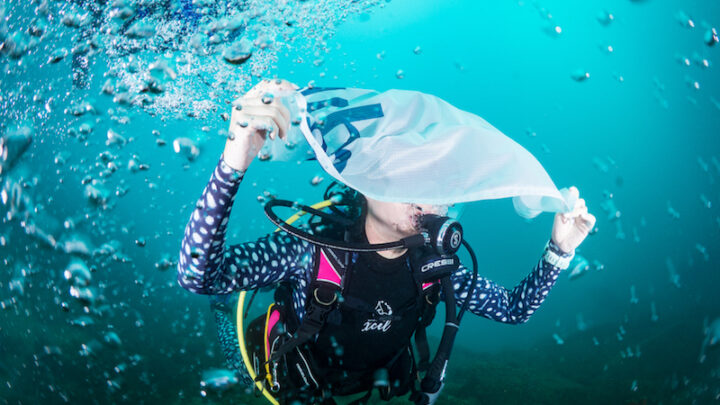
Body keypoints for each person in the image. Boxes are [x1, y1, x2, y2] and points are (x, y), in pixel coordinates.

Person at [177, 79, 597, 404]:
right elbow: (198, 275)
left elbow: (513, 309)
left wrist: (559, 250)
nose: (428, 193)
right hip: (290, 379)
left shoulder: (433, 269)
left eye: (440, 180)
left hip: (372, 383)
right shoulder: (311, 250)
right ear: (362, 180)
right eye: (406, 173)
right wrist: (233, 163)